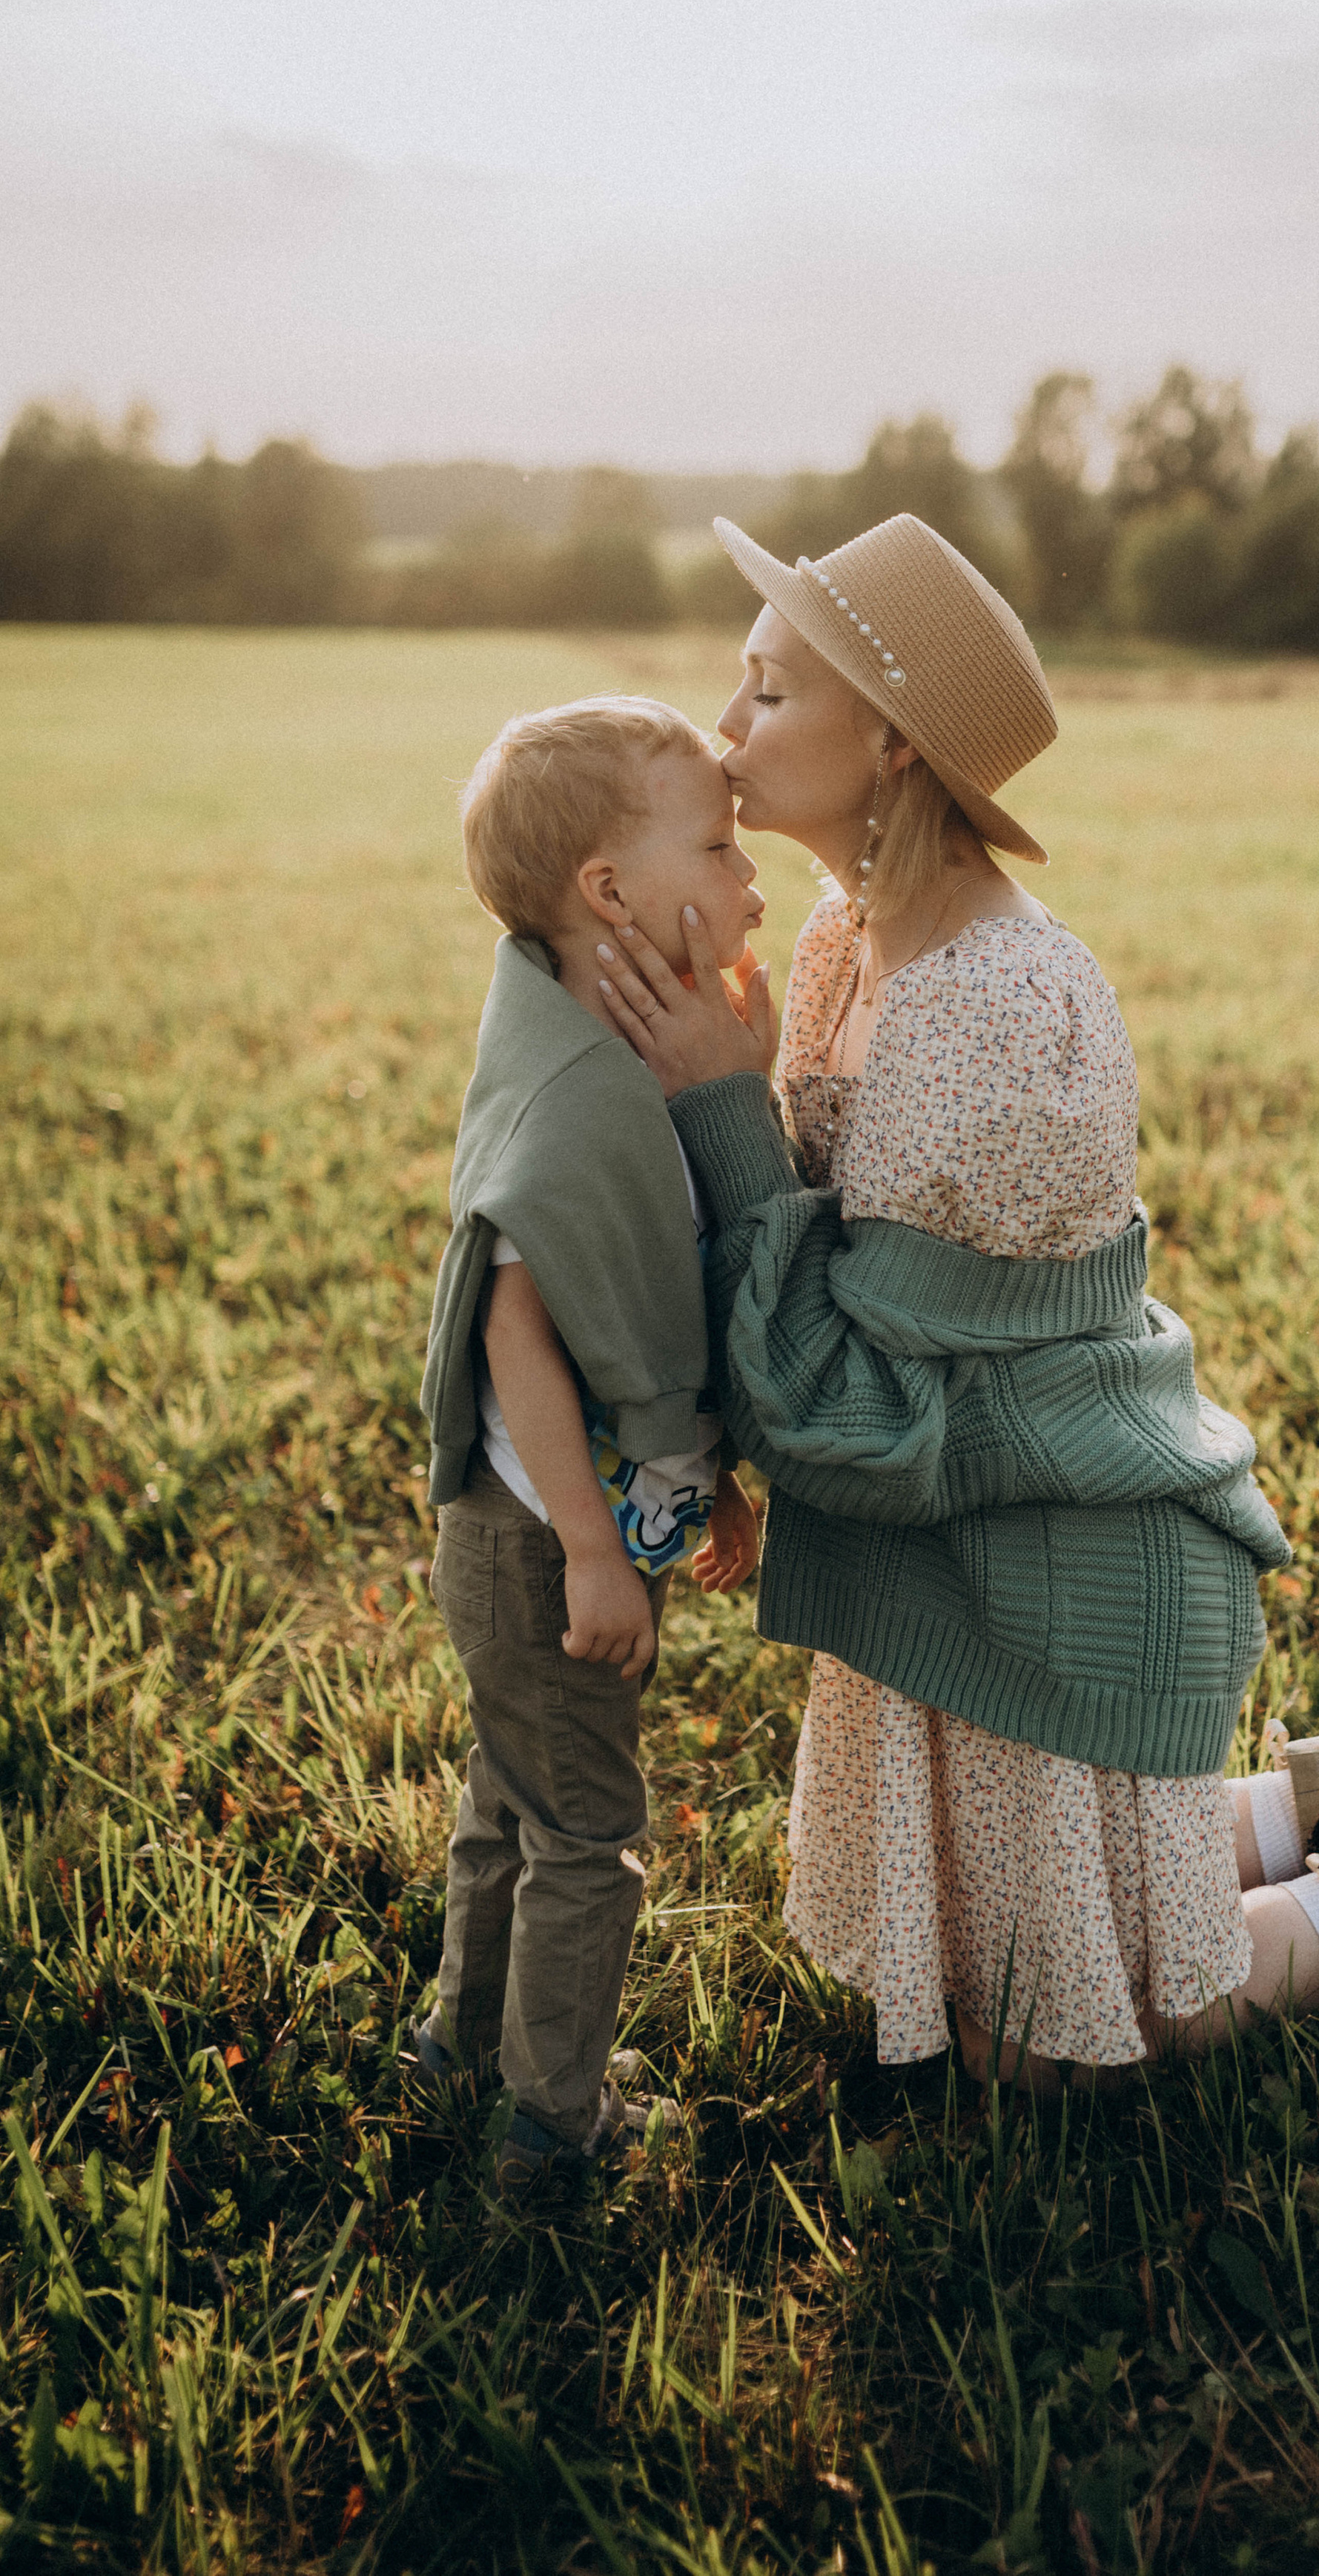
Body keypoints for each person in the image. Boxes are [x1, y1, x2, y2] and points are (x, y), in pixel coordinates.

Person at [596, 519, 1319, 2090]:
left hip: (1053, 1550)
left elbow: (862, 1413)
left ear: (889, 739)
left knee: (1077, 2046)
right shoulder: (841, 937)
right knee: (1002, 1967)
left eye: (765, 692)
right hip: (967, 1527)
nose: (723, 729)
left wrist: (716, 1111)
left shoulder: (994, 1005)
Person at [413, 694, 762, 2185]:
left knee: (515, 1796)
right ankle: (556, 2130)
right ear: (608, 894)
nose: (753, 881)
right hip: (543, 1538)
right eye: (720, 844)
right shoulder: (574, 1101)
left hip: (547, 1533)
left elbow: (647, 1295)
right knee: (584, 1832)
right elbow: (519, 1338)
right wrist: (593, 1553)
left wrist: (702, 1483)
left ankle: (463, 2038)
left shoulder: (603, 1057)